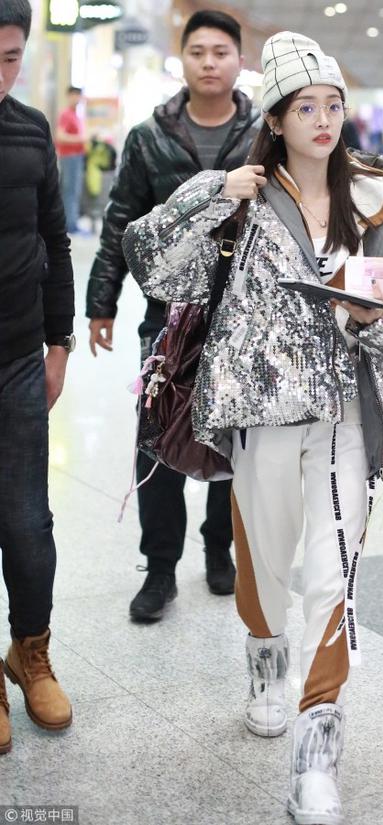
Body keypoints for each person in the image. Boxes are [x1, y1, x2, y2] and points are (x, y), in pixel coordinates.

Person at [122, 30, 383, 824]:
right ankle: (266, 663)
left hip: (349, 418)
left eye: (334, 104)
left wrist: (374, 319)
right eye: (305, 107)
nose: (324, 119)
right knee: (264, 569)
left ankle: (316, 757)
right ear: (274, 117)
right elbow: (149, 260)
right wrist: (212, 193)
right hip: (259, 416)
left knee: (334, 580)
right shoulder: (241, 197)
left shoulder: (381, 201)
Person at [86, 10, 260, 619]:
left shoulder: (264, 132)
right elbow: (122, 220)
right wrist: (100, 302)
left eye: (221, 52)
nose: (209, 62)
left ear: (239, 61)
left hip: (246, 316)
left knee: (236, 438)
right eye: (198, 51)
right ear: (181, 59)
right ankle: (160, 567)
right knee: (158, 436)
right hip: (167, 314)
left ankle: (219, 550)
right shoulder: (149, 136)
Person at [0, 0, 75, 755]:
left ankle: (31, 652)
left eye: (10, 57)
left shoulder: (30, 129)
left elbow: (56, 236)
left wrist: (60, 344)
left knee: (27, 520)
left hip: (20, 356)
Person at [56, 86, 87, 234]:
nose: (77, 98)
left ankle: (72, 222)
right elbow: (60, 136)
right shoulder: (66, 114)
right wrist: (81, 139)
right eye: (74, 95)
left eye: (78, 95)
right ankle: (70, 225)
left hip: (77, 156)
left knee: (74, 190)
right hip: (69, 157)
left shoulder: (76, 115)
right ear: (69, 96)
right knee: (70, 191)